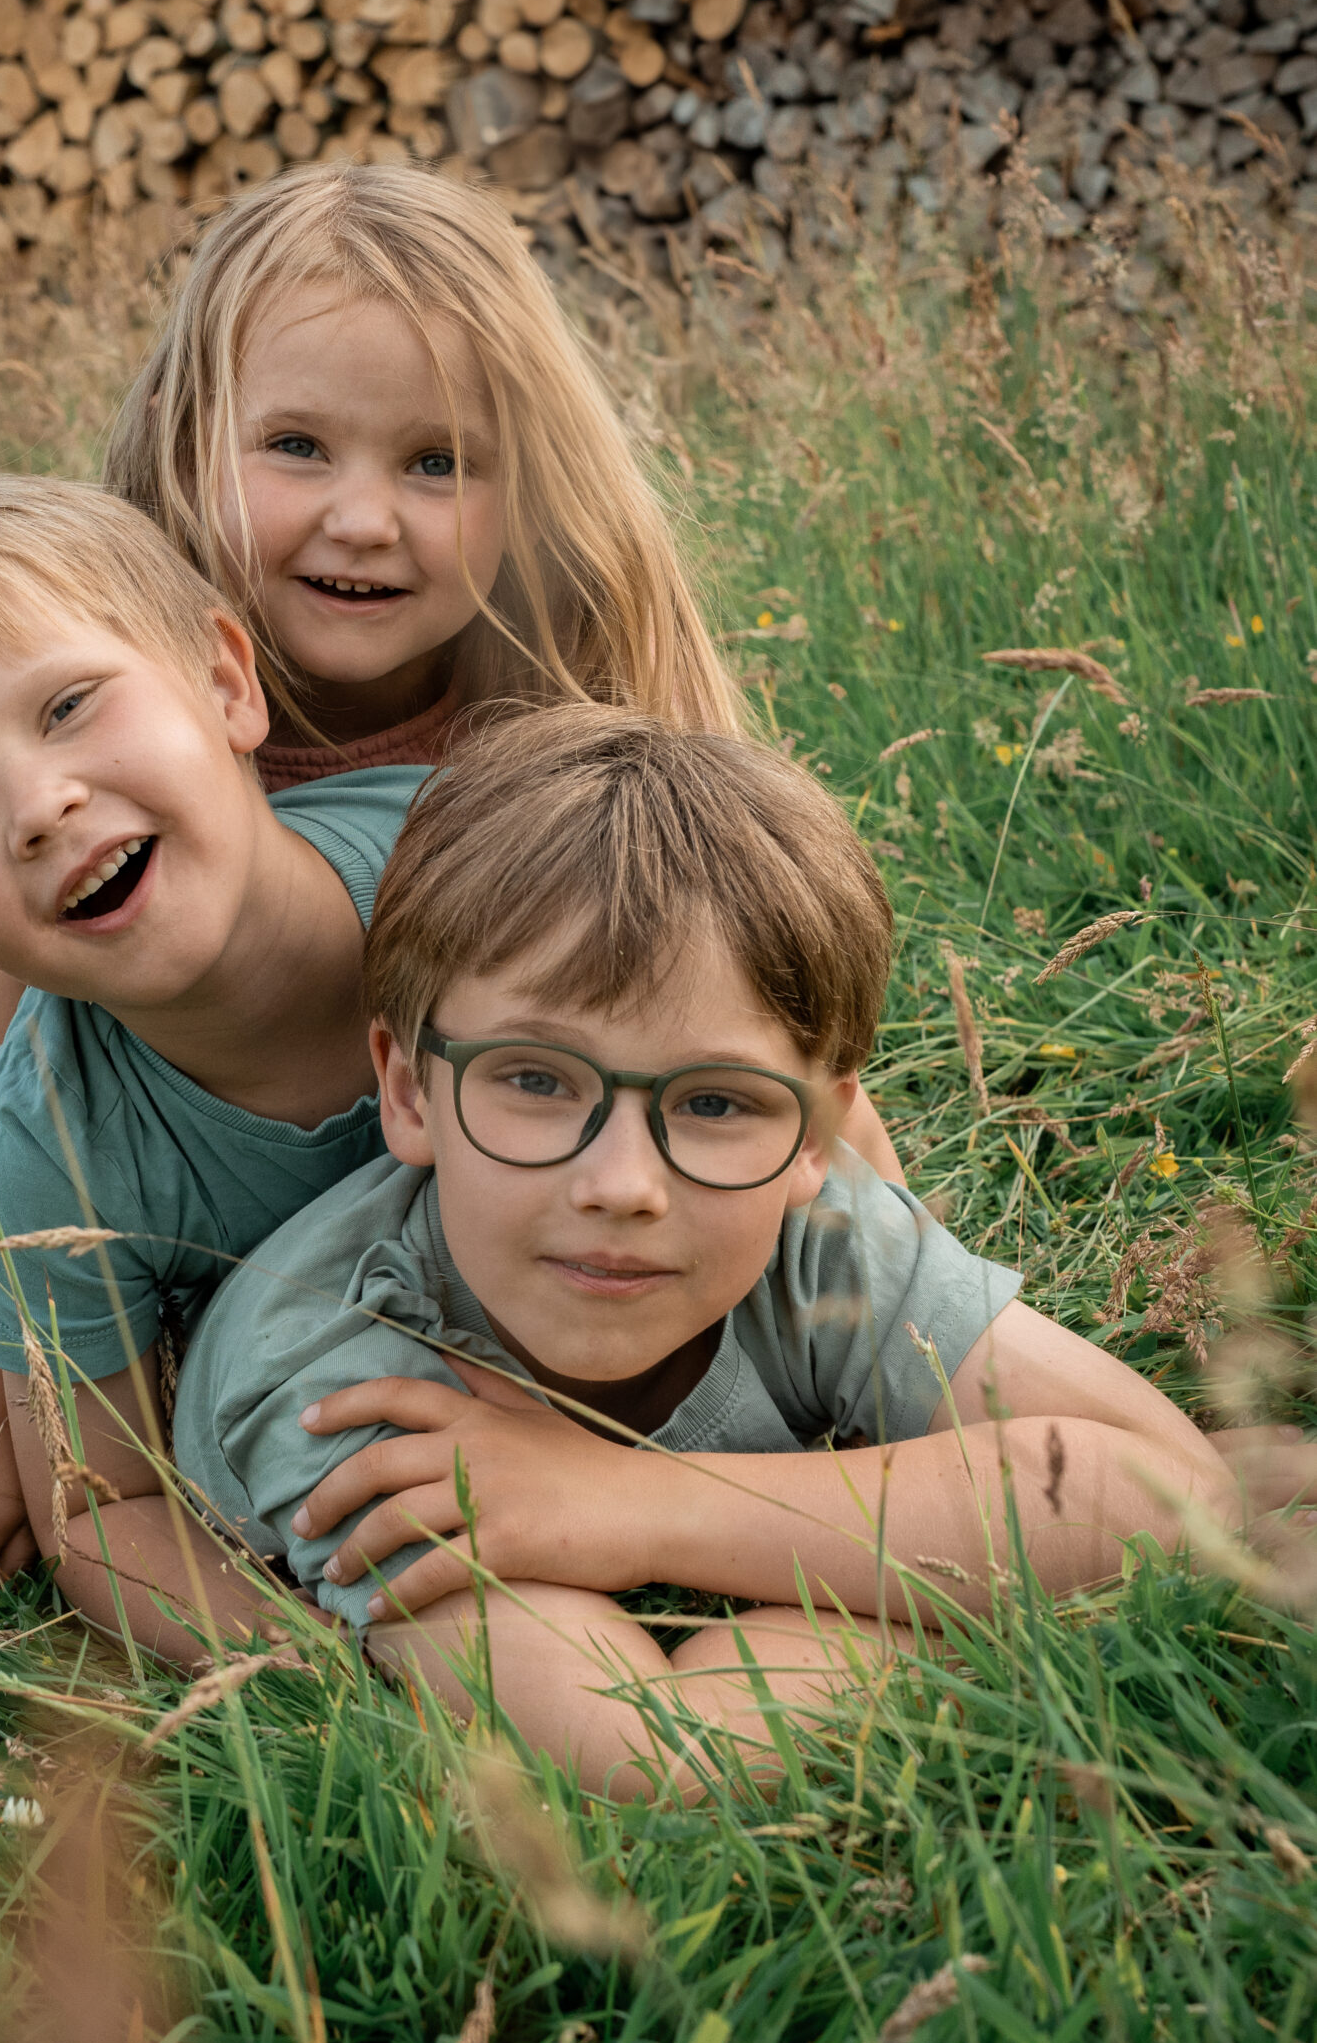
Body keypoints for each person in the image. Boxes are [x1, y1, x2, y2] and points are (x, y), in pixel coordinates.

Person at [0, 160, 905, 1610]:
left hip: (283, 1013)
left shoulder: (541, 730)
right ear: (190, 444)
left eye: (437, 462)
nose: (363, 520)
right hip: (87, 982)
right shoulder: (102, 702)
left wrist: (880, 1264)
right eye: (294, 448)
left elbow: (726, 998)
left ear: (530, 484)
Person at [111, 709, 1233, 1798]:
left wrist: (633, 1501)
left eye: (713, 1101)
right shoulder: (344, 1380)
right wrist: (936, 1591)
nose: (623, 1187)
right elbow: (646, 1748)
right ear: (409, 1091)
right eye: (537, 1081)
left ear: (816, 1136)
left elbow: (1178, 1494)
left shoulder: (810, 1230)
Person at [0, 473, 436, 1649]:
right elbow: (100, 1515)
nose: (36, 804)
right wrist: (324, 1668)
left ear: (225, 682)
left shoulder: (474, 870)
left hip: (39, 953)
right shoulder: (52, 1150)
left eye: (67, 706)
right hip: (22, 987)